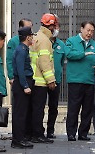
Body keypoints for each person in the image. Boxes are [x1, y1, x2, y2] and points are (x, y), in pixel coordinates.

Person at [65, 21, 95, 141]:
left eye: (92, 31)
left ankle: (83, 133)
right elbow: (69, 54)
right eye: (88, 30)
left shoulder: (94, 45)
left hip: (89, 80)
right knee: (73, 108)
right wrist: (84, 54)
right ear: (81, 29)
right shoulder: (72, 41)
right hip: (75, 80)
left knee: (87, 109)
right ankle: (71, 133)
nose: (90, 33)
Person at [30, 13, 57, 144]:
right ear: (50, 26)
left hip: (34, 80)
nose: (56, 28)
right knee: (38, 110)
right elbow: (44, 61)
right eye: (55, 25)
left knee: (34, 109)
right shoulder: (45, 40)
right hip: (40, 82)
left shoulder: (36, 37)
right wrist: (51, 80)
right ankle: (38, 134)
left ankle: (33, 133)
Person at [11, 27, 34, 149]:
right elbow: (20, 70)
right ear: (28, 37)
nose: (33, 38)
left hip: (23, 82)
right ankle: (18, 140)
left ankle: (20, 138)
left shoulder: (24, 49)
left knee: (22, 112)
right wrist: (25, 86)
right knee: (20, 113)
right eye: (31, 35)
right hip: (22, 84)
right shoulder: (21, 50)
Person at [46, 22, 65, 139]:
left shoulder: (61, 45)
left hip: (56, 80)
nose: (55, 29)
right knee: (38, 107)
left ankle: (50, 130)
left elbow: (61, 62)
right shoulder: (43, 42)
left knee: (53, 107)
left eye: (57, 27)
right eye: (53, 27)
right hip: (42, 81)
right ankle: (36, 130)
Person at [6, 18, 33, 85]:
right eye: (27, 27)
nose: (30, 30)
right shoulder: (13, 42)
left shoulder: (32, 40)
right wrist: (11, 77)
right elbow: (9, 60)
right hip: (18, 76)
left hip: (30, 75)